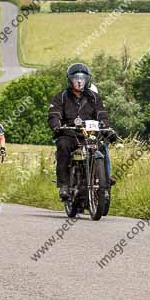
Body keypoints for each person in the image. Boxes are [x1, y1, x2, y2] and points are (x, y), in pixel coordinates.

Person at [48, 63, 112, 200]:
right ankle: (64, 185)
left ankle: (105, 186)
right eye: (76, 78)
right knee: (63, 146)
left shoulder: (94, 97)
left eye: (82, 78)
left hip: (89, 135)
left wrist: (105, 125)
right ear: (70, 79)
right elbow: (54, 114)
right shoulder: (61, 97)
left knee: (102, 146)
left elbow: (102, 113)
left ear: (87, 79)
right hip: (69, 133)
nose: (79, 81)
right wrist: (57, 125)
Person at [89, 84, 115, 186]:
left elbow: (104, 119)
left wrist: (108, 130)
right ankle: (65, 178)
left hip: (94, 137)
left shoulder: (99, 107)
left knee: (104, 146)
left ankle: (107, 175)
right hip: (77, 136)